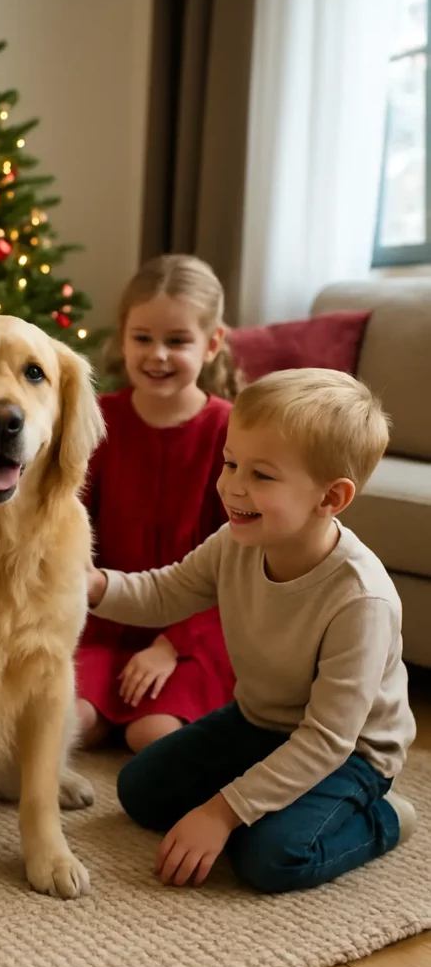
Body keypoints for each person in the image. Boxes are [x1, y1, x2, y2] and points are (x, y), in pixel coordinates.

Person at [87, 368, 417, 894]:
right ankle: (261, 794)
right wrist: (95, 585)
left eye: (260, 475)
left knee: (268, 857)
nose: (231, 486)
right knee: (140, 789)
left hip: (350, 753)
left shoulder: (361, 600)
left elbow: (328, 739)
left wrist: (222, 814)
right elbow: (165, 592)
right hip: (258, 721)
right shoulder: (235, 542)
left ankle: (385, 818)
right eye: (230, 461)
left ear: (331, 498)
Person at [76, 254, 240, 754]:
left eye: (177, 341)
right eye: (143, 338)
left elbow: (241, 561)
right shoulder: (98, 420)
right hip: (104, 622)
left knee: (152, 736)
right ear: (122, 336)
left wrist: (172, 645)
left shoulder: (231, 430)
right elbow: (70, 519)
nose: (158, 355)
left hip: (198, 629)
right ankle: (107, 710)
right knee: (68, 725)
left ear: (211, 344)